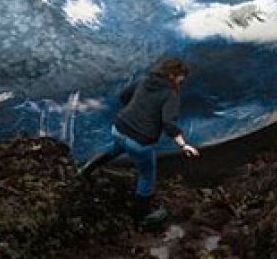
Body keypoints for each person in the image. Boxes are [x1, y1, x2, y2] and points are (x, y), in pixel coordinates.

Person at [77, 57, 200, 226]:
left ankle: (84, 171)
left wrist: (137, 111)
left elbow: (123, 96)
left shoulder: (144, 80)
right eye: (181, 76)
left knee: (115, 148)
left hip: (119, 128)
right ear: (172, 75)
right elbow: (169, 123)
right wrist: (183, 145)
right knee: (147, 175)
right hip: (139, 142)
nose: (182, 80)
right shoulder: (170, 94)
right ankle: (141, 216)